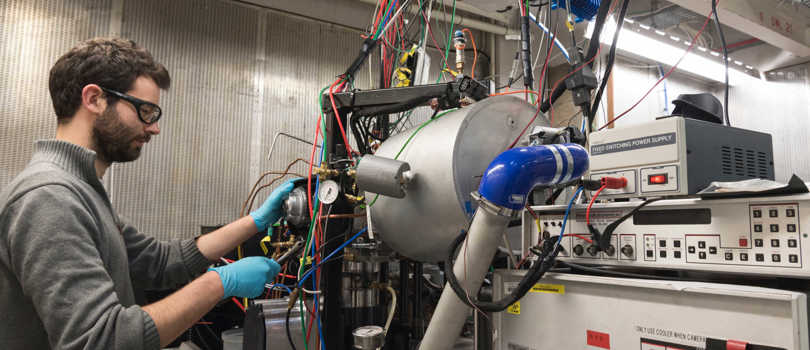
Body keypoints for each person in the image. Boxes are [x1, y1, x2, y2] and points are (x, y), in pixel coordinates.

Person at [0, 37, 293, 349]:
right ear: (94, 99)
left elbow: (160, 261)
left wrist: (257, 221)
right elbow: (102, 339)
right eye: (145, 111)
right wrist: (219, 283)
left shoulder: (82, 189)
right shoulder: (50, 198)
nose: (154, 128)